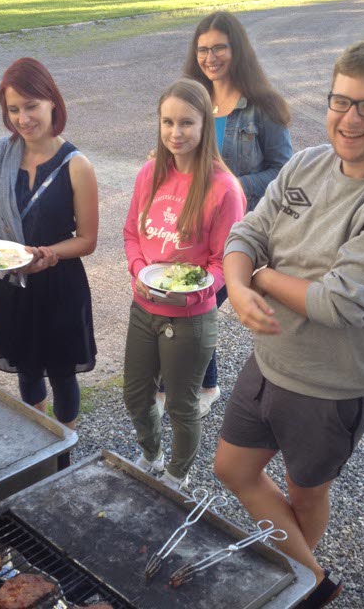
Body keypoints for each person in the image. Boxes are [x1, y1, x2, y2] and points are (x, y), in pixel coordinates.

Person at [213, 38, 364, 608]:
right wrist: (237, 282)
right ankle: (313, 580)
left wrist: (258, 279)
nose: (350, 118)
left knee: (305, 493)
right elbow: (245, 234)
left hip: (330, 385)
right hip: (269, 361)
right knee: (232, 467)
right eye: (341, 100)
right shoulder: (308, 162)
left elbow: (340, 303)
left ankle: (297, 589)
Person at [166, 11, 293, 416]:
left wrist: (237, 185)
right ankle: (196, 380)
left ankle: (205, 386)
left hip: (240, 234)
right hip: (190, 229)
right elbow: (179, 147)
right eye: (203, 49)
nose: (210, 57)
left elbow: (283, 171)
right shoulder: (193, 100)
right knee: (188, 302)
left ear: (236, 49)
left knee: (198, 302)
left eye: (219, 47)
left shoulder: (263, 108)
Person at [123, 78, 245, 491]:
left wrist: (192, 287)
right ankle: (151, 455)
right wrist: (140, 269)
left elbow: (224, 260)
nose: (176, 133)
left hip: (190, 316)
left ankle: (177, 474)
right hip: (144, 306)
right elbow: (130, 232)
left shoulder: (223, 188)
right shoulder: (149, 174)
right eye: (168, 122)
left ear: (204, 126)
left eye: (187, 123)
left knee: (181, 404)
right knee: (136, 395)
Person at [0, 58, 98, 431]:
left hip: (59, 285)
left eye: (31, 106)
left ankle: (65, 443)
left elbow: (87, 240)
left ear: (51, 103)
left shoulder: (77, 165)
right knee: (26, 368)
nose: (23, 118)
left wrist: (47, 254)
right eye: (13, 109)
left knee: (62, 374)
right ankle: (37, 434)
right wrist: (11, 260)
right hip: (12, 283)